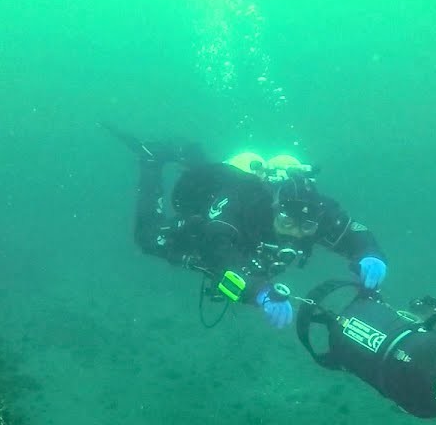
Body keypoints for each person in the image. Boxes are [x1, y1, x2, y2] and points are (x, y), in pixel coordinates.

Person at [104, 123, 389, 329]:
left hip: (242, 235)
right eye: (286, 223)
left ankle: (191, 156)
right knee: (148, 238)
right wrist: (259, 293)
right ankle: (151, 159)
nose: (295, 234)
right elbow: (219, 257)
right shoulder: (243, 203)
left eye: (306, 227)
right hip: (208, 219)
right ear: (274, 208)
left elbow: (353, 232)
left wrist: (370, 254)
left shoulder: (313, 205)